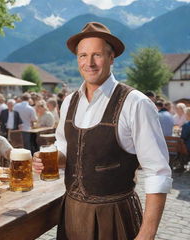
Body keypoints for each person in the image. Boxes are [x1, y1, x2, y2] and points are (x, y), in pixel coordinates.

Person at [33, 22, 172, 240]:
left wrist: (146, 234)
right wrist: (49, 160)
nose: (89, 63)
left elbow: (158, 172)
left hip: (114, 217)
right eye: (82, 55)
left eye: (96, 55)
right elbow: (65, 149)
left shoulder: (135, 103)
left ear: (111, 58)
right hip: (71, 215)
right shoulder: (69, 102)